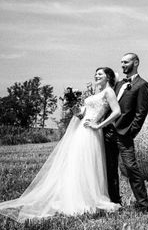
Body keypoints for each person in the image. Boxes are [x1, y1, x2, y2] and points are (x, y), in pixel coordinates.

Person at [0, 68, 122, 222]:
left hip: (91, 132)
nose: (96, 75)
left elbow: (116, 111)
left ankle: (88, 199)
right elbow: (83, 113)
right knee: (75, 164)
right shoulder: (95, 95)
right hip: (81, 130)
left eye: (100, 74)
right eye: (96, 73)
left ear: (108, 77)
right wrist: (75, 108)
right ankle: (73, 197)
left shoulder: (109, 92)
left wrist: (99, 125)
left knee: (87, 164)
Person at [103, 52, 148, 211]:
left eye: (126, 62)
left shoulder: (142, 85)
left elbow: (141, 113)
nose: (122, 65)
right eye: (121, 62)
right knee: (110, 169)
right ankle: (115, 202)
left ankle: (143, 204)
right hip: (108, 133)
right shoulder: (117, 84)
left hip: (124, 134)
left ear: (136, 62)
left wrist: (130, 132)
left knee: (131, 168)